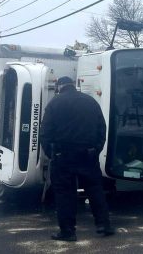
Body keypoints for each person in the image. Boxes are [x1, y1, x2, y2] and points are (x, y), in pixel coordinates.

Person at [40, 76, 114, 242]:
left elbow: (45, 133)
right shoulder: (90, 102)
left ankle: (68, 232)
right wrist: (96, 150)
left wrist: (52, 154)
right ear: (73, 85)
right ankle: (104, 225)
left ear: (59, 87)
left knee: (65, 194)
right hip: (88, 155)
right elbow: (102, 128)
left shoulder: (54, 104)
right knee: (95, 190)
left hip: (62, 156)